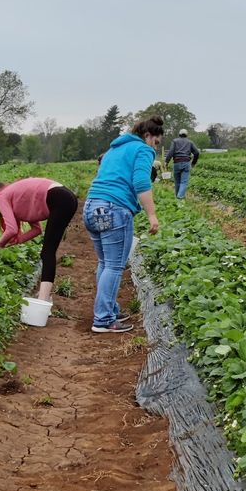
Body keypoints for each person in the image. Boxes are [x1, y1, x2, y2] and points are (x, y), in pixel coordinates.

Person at [84, 115, 162, 333]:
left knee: (105, 263)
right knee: (115, 265)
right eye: (156, 141)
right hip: (114, 208)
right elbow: (140, 181)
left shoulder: (114, 149)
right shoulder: (143, 149)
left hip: (92, 206)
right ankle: (103, 319)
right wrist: (152, 215)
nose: (155, 146)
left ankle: (109, 310)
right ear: (148, 136)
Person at [0, 178, 78, 302]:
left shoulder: (1, 197)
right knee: (48, 251)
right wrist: (10, 242)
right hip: (67, 198)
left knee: (47, 252)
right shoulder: (18, 199)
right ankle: (44, 297)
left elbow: (11, 229)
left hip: (58, 198)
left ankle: (43, 299)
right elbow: (36, 230)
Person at [164, 128, 200, 199]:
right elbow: (197, 152)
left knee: (177, 182)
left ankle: (178, 198)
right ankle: (180, 198)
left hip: (176, 163)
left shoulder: (175, 141)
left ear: (179, 135)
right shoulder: (190, 142)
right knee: (183, 182)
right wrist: (193, 163)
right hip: (186, 163)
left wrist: (166, 161)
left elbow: (171, 152)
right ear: (186, 135)